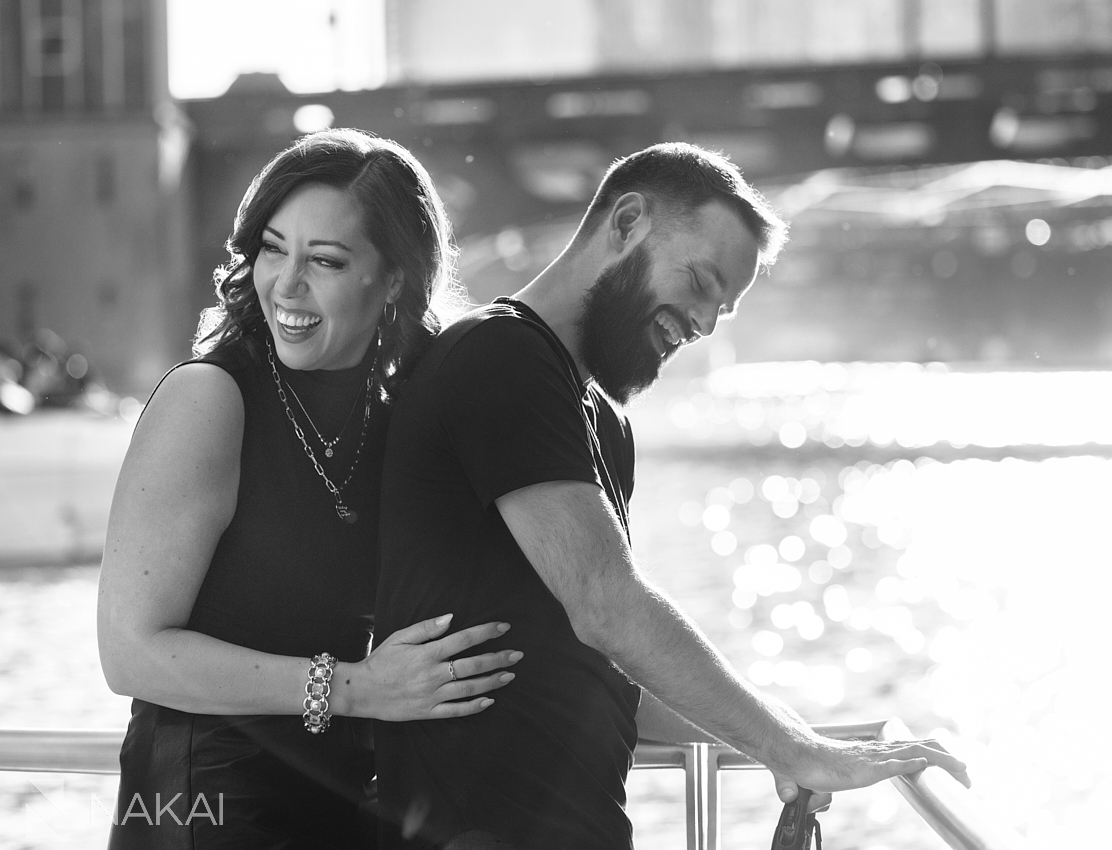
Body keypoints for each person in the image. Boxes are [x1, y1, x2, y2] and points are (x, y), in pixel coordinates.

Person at [373, 142, 971, 849]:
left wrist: (781, 738)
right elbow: (608, 606)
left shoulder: (600, 418)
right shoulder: (501, 357)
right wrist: (791, 747)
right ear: (626, 223)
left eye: (724, 307)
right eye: (700, 281)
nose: (706, 323)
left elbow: (601, 667)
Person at [97, 129, 521, 849]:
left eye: (323, 260)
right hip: (200, 807)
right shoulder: (210, 400)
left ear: (393, 279)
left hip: (346, 805)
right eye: (271, 248)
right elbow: (128, 652)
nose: (285, 284)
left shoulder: (405, 415)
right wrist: (357, 688)